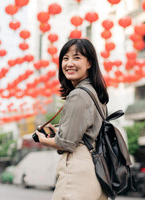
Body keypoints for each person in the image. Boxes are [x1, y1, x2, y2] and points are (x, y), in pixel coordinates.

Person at [35, 38, 109, 200]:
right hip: (98, 171)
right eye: (65, 58)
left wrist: (43, 139)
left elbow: (66, 143)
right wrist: (61, 133)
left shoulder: (78, 95)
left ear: (89, 63)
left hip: (78, 170)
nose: (69, 63)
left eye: (77, 58)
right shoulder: (96, 94)